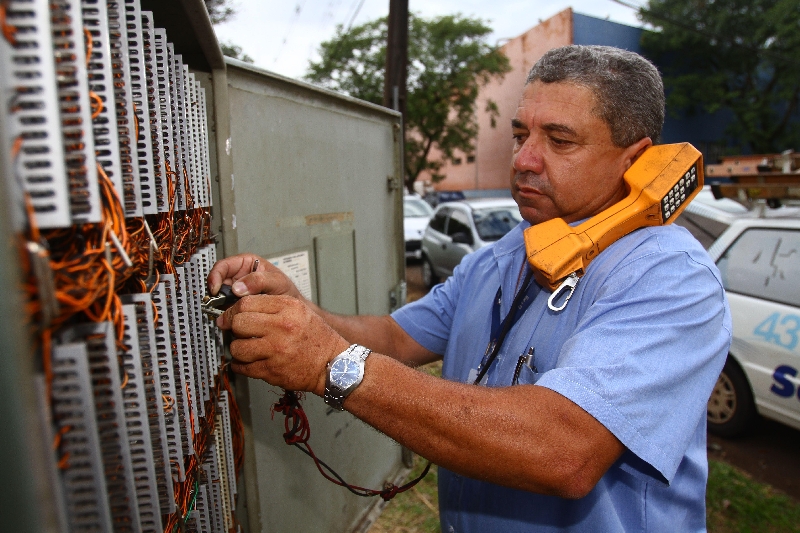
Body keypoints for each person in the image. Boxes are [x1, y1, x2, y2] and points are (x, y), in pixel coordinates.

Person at [208, 45, 731, 532]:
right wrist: (296, 310)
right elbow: (392, 337)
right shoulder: (503, 254)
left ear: (635, 160)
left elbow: (565, 452)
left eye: (560, 140)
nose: (525, 159)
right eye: (521, 134)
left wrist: (331, 365)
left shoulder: (671, 278)